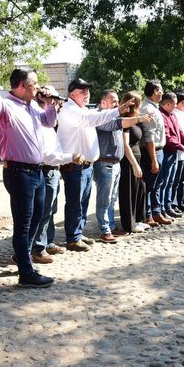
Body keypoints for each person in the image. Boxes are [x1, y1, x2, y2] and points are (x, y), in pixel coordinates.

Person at [0, 61, 57, 288]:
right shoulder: (6, 106)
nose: (37, 88)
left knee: (37, 217)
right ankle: (26, 273)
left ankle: (22, 254)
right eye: (34, 84)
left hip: (37, 171)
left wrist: (50, 104)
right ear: (22, 85)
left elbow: (49, 122)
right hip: (19, 172)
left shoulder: (33, 105)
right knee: (23, 224)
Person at [57, 79, 131, 251]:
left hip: (87, 164)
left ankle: (78, 233)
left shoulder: (82, 109)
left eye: (88, 91)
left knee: (82, 202)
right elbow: (93, 120)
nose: (87, 94)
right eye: (82, 91)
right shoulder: (70, 110)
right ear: (72, 93)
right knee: (75, 202)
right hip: (74, 164)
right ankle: (73, 238)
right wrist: (116, 111)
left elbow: (93, 119)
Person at [32, 86, 84, 263]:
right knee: (44, 211)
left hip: (53, 169)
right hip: (47, 169)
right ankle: (38, 248)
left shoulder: (49, 120)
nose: (57, 104)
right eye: (53, 100)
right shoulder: (39, 120)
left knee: (51, 209)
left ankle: (47, 242)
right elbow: (47, 153)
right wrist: (70, 157)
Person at [93, 90, 150, 242]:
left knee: (112, 198)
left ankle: (110, 226)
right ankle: (105, 230)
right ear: (103, 102)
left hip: (115, 163)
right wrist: (140, 118)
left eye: (117, 101)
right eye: (113, 101)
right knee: (104, 199)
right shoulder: (100, 117)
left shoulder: (113, 115)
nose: (117, 104)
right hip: (105, 162)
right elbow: (120, 124)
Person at [118, 91, 150, 234]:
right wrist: (134, 164)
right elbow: (126, 145)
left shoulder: (135, 119)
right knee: (128, 192)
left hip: (137, 157)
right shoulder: (125, 121)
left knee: (139, 189)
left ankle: (137, 220)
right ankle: (129, 224)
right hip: (129, 161)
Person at [139, 80, 170, 225]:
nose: (162, 93)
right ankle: (147, 214)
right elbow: (149, 137)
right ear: (154, 91)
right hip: (152, 152)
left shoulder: (154, 107)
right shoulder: (147, 109)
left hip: (159, 150)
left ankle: (156, 212)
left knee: (158, 183)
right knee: (149, 185)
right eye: (160, 90)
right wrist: (153, 159)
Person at [158, 92, 184, 217]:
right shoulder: (162, 116)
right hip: (167, 152)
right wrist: (180, 146)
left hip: (174, 152)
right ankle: (162, 207)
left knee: (171, 181)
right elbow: (168, 137)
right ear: (168, 103)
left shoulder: (172, 115)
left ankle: (168, 205)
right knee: (164, 182)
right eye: (174, 104)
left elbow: (179, 131)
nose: (176, 106)